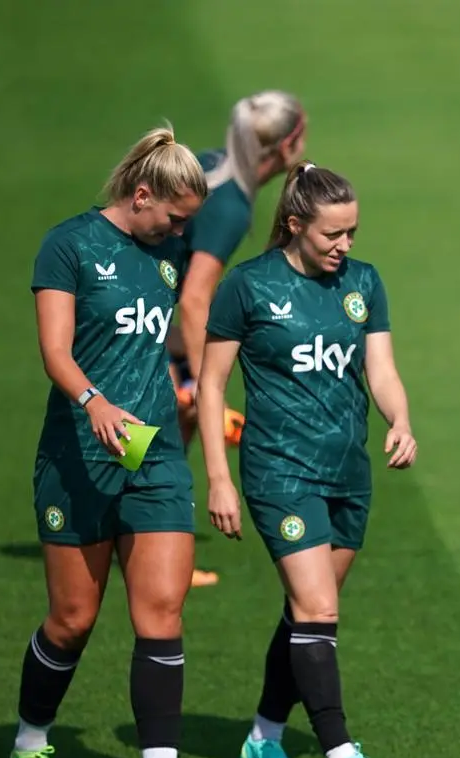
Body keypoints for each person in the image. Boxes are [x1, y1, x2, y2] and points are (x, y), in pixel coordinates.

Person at [11, 125, 225, 758]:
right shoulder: (68, 246)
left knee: (161, 610)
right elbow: (56, 351)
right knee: (73, 619)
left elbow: (160, 341)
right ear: (141, 195)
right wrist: (95, 403)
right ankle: (30, 743)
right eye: (174, 217)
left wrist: (195, 393)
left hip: (153, 454)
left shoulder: (165, 257)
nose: (180, 231)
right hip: (78, 453)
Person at [197, 161, 417, 758]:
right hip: (279, 472)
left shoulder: (364, 284)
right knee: (320, 610)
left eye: (351, 232)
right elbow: (211, 386)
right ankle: (342, 753)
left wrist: (400, 418)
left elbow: (380, 368)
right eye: (332, 235)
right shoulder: (248, 288)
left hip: (348, 474)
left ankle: (264, 736)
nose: (344, 246)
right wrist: (218, 478)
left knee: (304, 614)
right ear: (295, 225)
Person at [168, 89, 308, 588]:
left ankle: (155, 553)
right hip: (148, 333)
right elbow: (193, 299)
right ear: (285, 146)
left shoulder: (213, 167)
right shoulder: (230, 206)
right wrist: (209, 387)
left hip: (143, 322)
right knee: (159, 441)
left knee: (165, 440)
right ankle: (148, 555)